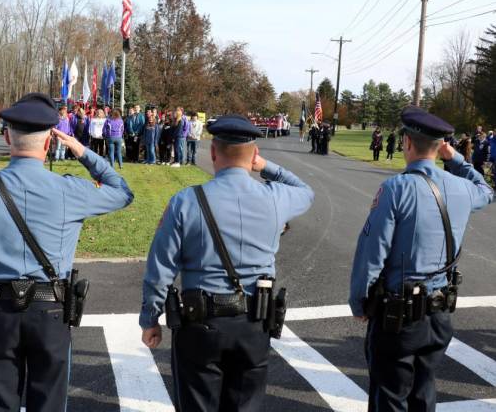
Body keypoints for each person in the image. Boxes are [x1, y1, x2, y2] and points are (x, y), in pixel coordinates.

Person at [0, 92, 134, 412]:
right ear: (49, 144)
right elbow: (122, 192)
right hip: (50, 313)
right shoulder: (71, 190)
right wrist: (82, 151)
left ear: (7, 138)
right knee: (49, 403)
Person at [140, 115, 314, 411]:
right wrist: (266, 167)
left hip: (200, 325)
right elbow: (306, 192)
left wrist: (150, 318)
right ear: (254, 155)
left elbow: (161, 268)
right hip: (253, 324)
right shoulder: (275, 198)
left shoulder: (185, 201)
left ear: (212, 153)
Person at [349, 106, 493, 412]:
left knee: (389, 397)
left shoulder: (395, 188)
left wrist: (359, 301)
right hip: (438, 315)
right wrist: (455, 159)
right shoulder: (462, 188)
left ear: (407, 143)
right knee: (423, 392)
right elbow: (486, 190)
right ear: (440, 146)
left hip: (398, 319)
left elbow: (372, 253)